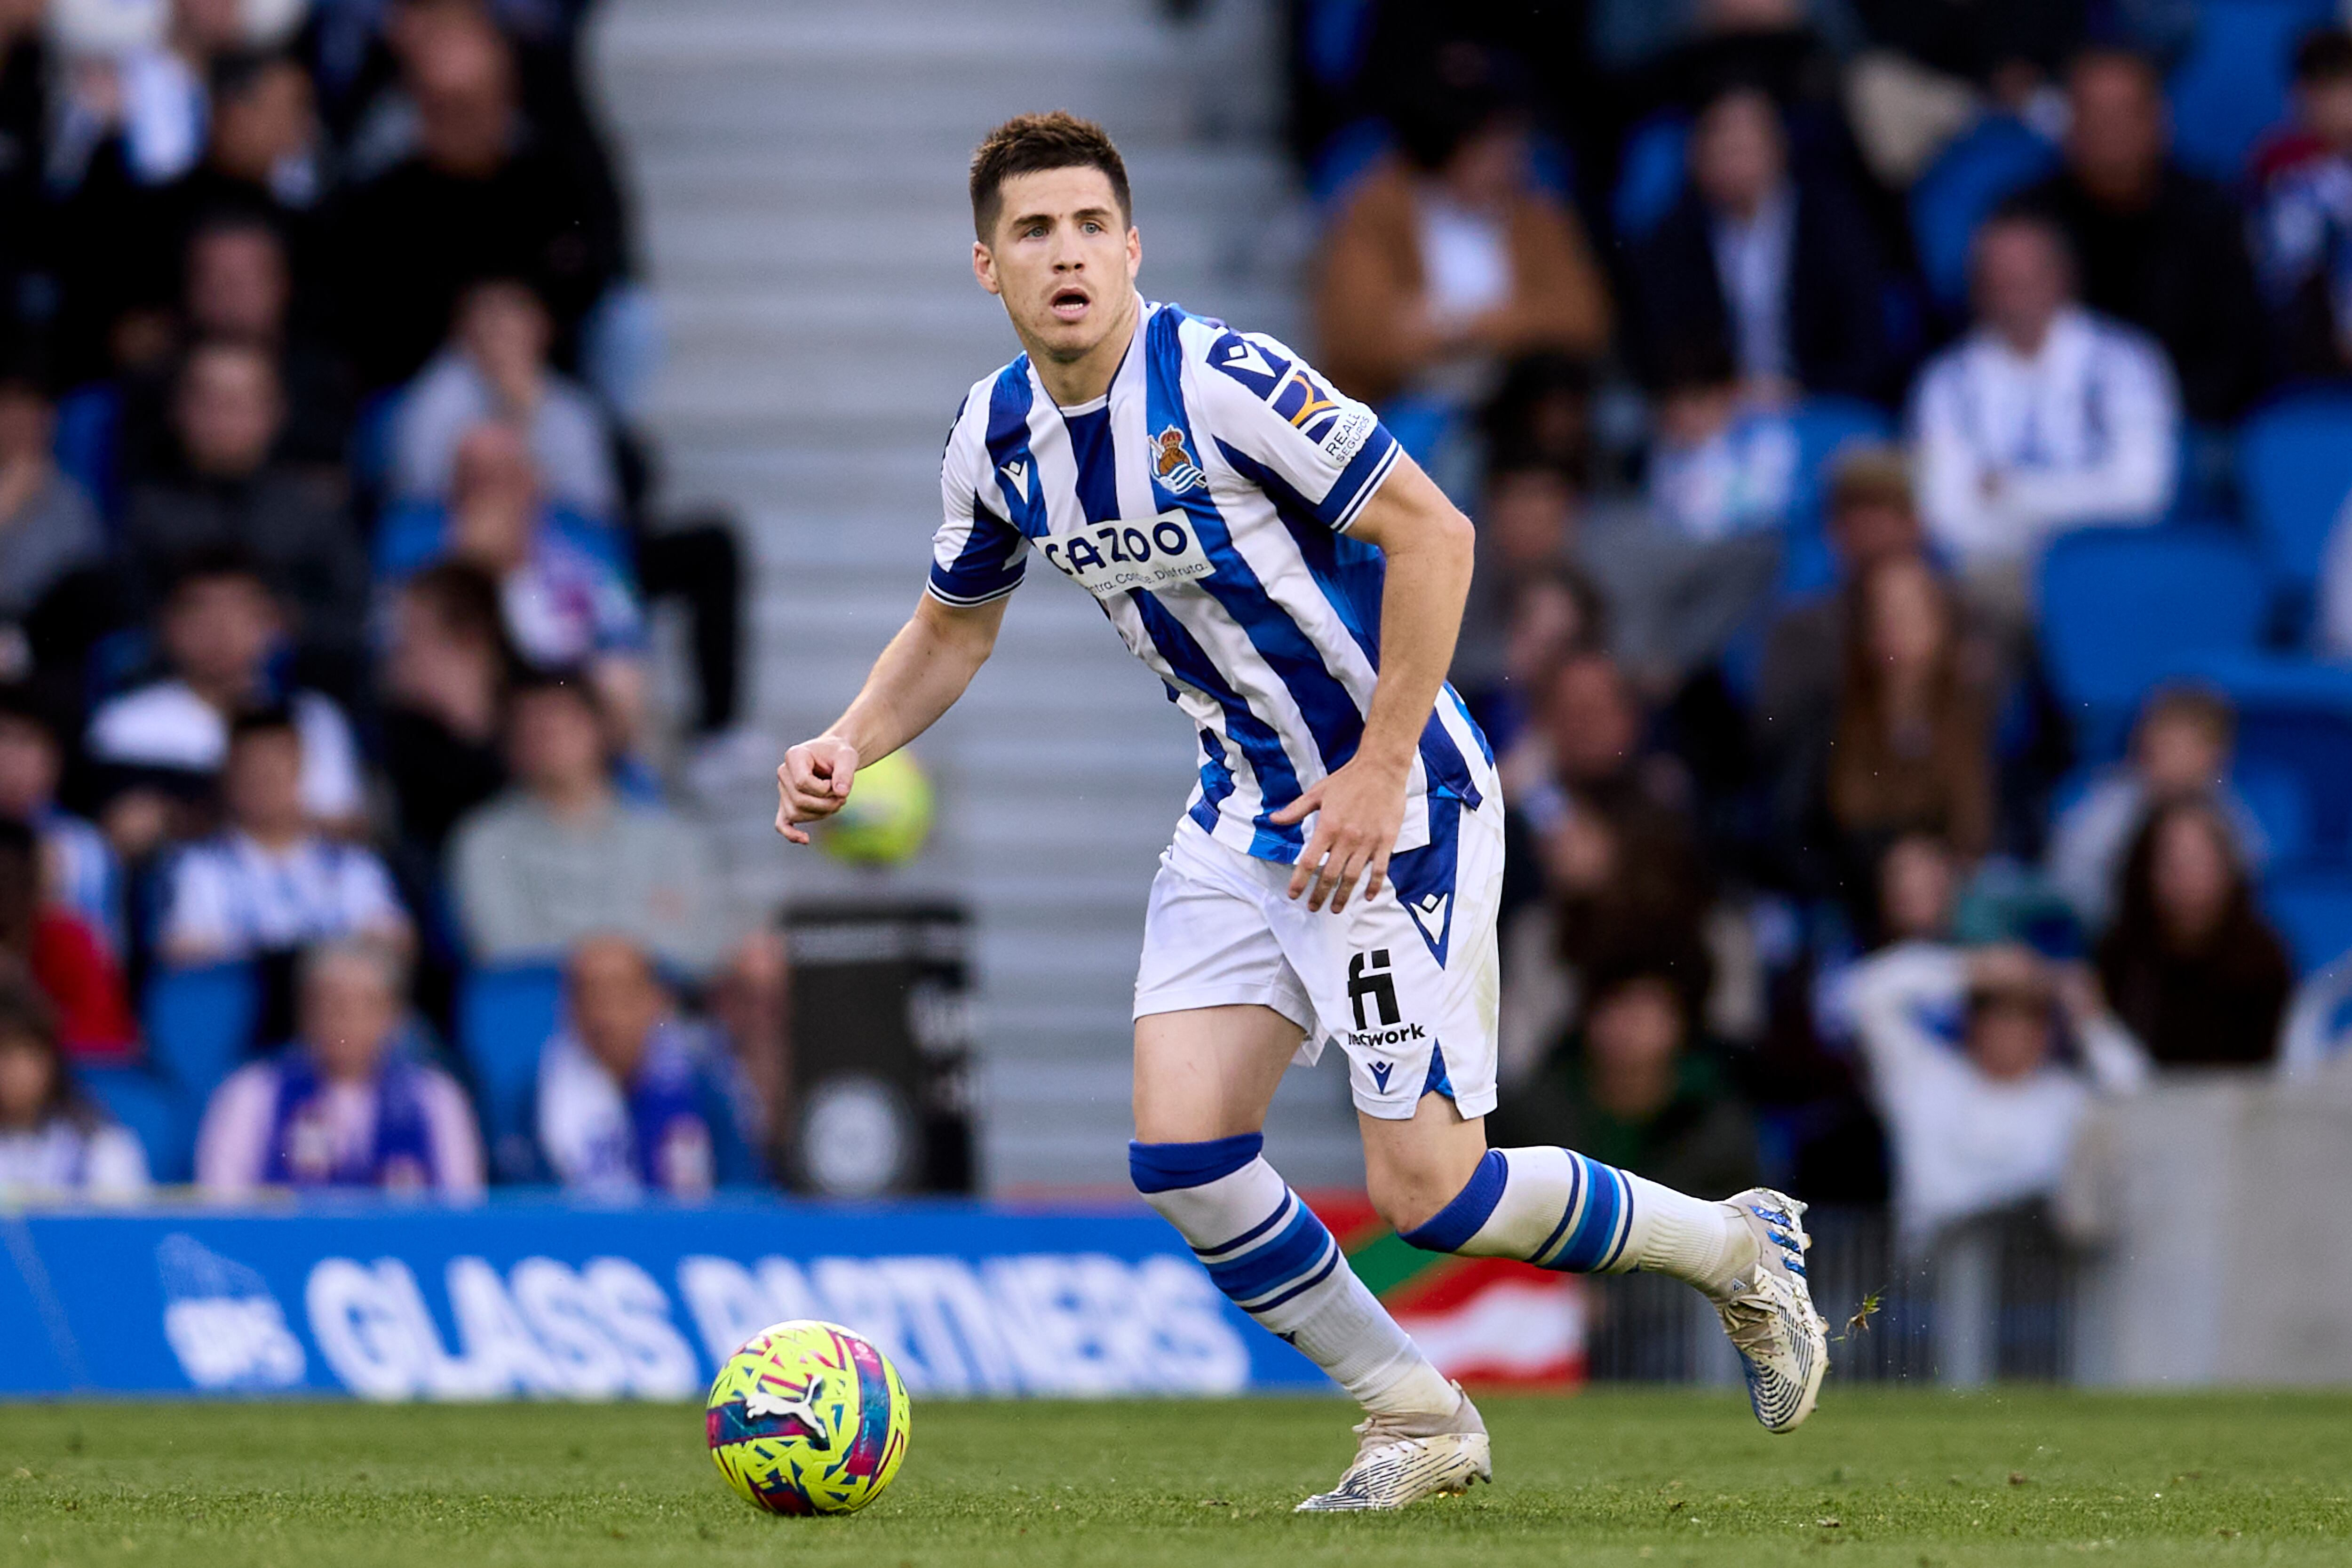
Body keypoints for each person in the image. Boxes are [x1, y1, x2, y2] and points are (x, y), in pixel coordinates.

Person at [775, 113, 1828, 1509]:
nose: (1067, 252)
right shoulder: (997, 432)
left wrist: (1382, 765)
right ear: (989, 266)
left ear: (1133, 244)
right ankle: (1415, 1414)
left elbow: (1434, 531)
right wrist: (849, 737)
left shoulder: (1221, 382)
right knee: (1186, 1157)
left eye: (1091, 224)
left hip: (1398, 806)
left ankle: (1736, 1252)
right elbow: (953, 624)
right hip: (1241, 813)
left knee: (1430, 1197)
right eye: (1034, 232)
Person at [1909, 210, 2177, 628]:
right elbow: (1947, 519)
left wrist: (2015, 492)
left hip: (2110, 570)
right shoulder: (1945, 382)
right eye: (1995, 279)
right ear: (1975, 288)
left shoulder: (2126, 362)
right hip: (1994, 582)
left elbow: (2144, 495)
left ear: (2062, 278)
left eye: (2024, 278)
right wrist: (2089, 495)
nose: (2010, 293)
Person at [329, 9, 623, 388]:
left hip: (539, 372)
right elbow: (372, 320)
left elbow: (584, 277)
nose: (462, 122)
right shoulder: (388, 200)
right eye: (445, 108)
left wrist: (524, 327)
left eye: (473, 105)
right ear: (419, 107)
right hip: (425, 380)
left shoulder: (548, 182)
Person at [1312, 56, 1610, 406]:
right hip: (1403, 403)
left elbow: (1584, 321)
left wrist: (1461, 325)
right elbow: (1357, 339)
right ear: (1445, 150)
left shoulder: (1538, 214)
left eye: (1513, 147)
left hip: (1515, 401)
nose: (1507, 164)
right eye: (1487, 151)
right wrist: (1513, 324)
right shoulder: (1373, 212)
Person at [2012, 48, 2268, 424]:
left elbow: (2239, 356)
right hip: (2048, 431)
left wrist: (2148, 422)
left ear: (2159, 121)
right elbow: (1996, 351)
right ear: (2068, 126)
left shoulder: (2213, 216)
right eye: (2093, 115)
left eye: (2123, 115)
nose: (2108, 132)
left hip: (2184, 426)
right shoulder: (2026, 222)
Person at [1846, 940, 2148, 1249]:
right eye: (1995, 1012)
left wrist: (2086, 1012)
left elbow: (2136, 1091)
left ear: (2045, 1030)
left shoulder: (2066, 1098)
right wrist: (1969, 969)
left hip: (2033, 1283)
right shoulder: (1923, 1078)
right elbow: (1864, 997)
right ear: (1970, 1021)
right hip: (1928, 1281)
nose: (2008, 1028)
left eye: (2024, 1015)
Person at [1624, 84, 1892, 404]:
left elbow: (1864, 344)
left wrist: (1797, 389)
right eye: (1719, 148)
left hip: (1821, 400)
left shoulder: (1830, 222)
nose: (1731, 162)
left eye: (1743, 147)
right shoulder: (1675, 238)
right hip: (1721, 412)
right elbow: (1667, 346)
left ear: (1778, 148)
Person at [450, 672, 730, 977]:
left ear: (602, 730)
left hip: (655, 1010)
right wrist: (628, 943)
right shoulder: (482, 839)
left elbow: (705, 948)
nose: (549, 737)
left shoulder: (672, 835)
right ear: (509, 744)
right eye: (532, 728)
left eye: (563, 723)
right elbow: (500, 947)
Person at [85, 549, 366, 845]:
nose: (222, 631)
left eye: (239, 612)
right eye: (201, 612)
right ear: (168, 625)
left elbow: (347, 829)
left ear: (274, 622)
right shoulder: (126, 723)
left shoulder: (314, 718)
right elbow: (125, 833)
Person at [386, 422, 644, 736]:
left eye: (501, 476)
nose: (488, 493)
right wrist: (472, 564)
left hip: (564, 692)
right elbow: (399, 646)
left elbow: (624, 634)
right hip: (466, 715)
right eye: (473, 478)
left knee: (619, 677)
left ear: (532, 481)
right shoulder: (414, 541)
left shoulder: (589, 543)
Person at [121, 341, 370, 653]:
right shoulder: (148, 512)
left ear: (276, 412)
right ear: (178, 409)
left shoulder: (313, 509)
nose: (223, 419)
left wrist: (284, 626)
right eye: (209, 402)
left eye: (239, 403)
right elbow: (129, 618)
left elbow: (352, 615)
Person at [194, 939, 484, 1196]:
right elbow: (222, 1209)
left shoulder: (436, 1098)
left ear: (394, 1016)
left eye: (366, 1006)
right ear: (304, 1011)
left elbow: (462, 1212)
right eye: (333, 1005)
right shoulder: (252, 1093)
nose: (347, 1022)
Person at [156, 708, 413, 966]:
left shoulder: (354, 865)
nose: (266, 783)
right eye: (253, 771)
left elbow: (397, 940)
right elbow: (181, 951)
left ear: (300, 769)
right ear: (230, 776)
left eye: (276, 770)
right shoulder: (198, 868)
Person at [1489, 960, 1760, 1202]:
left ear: (1680, 1027)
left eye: (1644, 1015)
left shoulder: (1716, 1130)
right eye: (1615, 1008)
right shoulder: (1531, 1116)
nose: (1627, 1030)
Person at [1816, 557, 1997, 898]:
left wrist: (1942, 870)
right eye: (1884, 616)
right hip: (1860, 900)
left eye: (1911, 615)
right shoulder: (1830, 720)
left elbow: (1993, 828)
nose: (1896, 630)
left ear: (1942, 622)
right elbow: (1811, 839)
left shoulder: (1980, 714)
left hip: (1963, 899)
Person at [535, 933, 756, 1198]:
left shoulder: (703, 1088)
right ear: (569, 1007)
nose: (606, 1013)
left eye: (621, 992)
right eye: (590, 995)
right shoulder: (537, 1098)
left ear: (655, 1000)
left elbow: (744, 1194)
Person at [391, 278, 619, 520]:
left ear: (543, 326)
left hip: (551, 537)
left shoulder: (573, 407)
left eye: (513, 312)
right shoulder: (436, 392)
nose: (500, 326)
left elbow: (596, 504)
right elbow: (417, 489)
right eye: (487, 314)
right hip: (455, 532)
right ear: (463, 328)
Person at [2045, 686, 2268, 930]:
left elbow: (2250, 878)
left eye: (2191, 746)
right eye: (2168, 744)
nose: (2178, 758)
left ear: (2219, 755)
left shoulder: (2229, 811)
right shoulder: (2107, 809)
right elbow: (2071, 883)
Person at [2094, 796, 2293, 1068]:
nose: (2186, 878)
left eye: (2200, 862)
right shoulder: (2118, 956)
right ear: (2145, 871)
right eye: (2172, 864)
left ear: (2228, 868)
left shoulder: (2266, 959)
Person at [378, 561, 512, 861]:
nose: (400, 651)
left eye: (415, 633)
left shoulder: (535, 706)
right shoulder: (401, 730)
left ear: (471, 639)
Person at [2250, 29, 2352, 380]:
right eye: (2316, 90)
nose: (2330, 104)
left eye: (2340, 87)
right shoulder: (2276, 163)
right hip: (2296, 331)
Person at [0, 979, 150, 1202]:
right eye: (4, 1055)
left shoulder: (100, 1145)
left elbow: (126, 1230)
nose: (12, 1071)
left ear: (51, 1059)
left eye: (25, 1054)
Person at [0, 819, 136, 1061]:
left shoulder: (69, 937)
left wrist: (24, 997)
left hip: (69, 1079)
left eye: (12, 878)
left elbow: (103, 1038)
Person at [0, 685, 121, 950]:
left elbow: (103, 952)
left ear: (56, 759)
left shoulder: (85, 848)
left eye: (25, 744)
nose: (9, 761)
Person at [0, 374, 106, 666]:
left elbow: (83, 583)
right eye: (9, 411)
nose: (21, 425)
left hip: (39, 648)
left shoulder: (70, 497)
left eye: (34, 412)